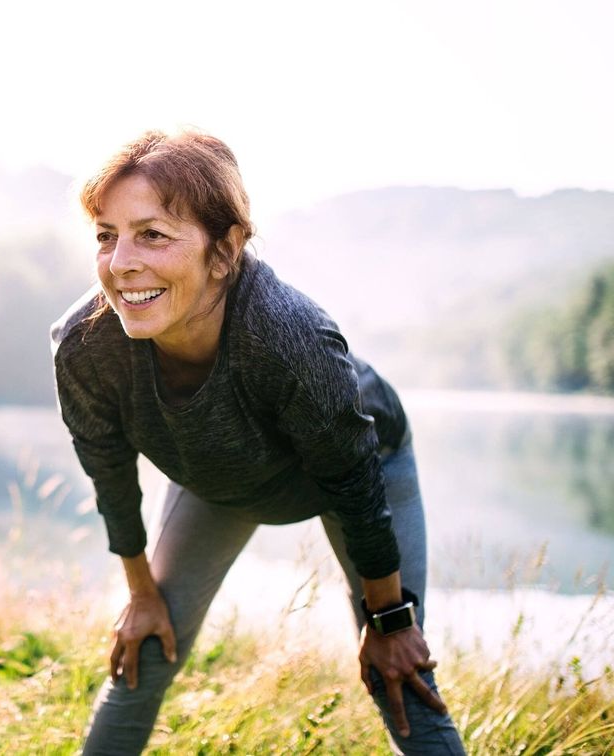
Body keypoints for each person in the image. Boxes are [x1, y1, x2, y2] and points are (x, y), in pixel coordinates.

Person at [51, 130, 466, 754]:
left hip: (359, 470)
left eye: (153, 234)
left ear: (225, 250)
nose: (121, 263)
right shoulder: (85, 345)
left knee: (398, 674)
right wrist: (140, 594)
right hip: (217, 477)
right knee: (145, 650)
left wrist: (388, 620)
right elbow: (106, 467)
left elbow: (353, 482)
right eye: (107, 236)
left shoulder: (290, 337)